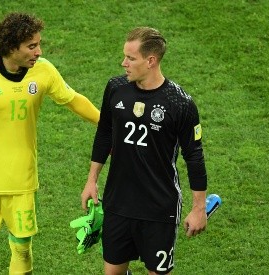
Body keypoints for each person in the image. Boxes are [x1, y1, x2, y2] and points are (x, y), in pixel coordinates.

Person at [0, 12, 99, 275]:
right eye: (32, 46)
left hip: (22, 181)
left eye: (38, 44)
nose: (39, 52)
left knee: (22, 249)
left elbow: (72, 99)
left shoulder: (44, 71)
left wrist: (106, 124)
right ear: (12, 47)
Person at [80, 27, 208, 275]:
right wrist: (91, 180)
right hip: (118, 203)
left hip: (158, 208)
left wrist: (198, 208)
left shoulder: (180, 103)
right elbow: (105, 133)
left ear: (151, 61)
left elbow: (194, 157)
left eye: (130, 58)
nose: (123, 63)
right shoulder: (116, 88)